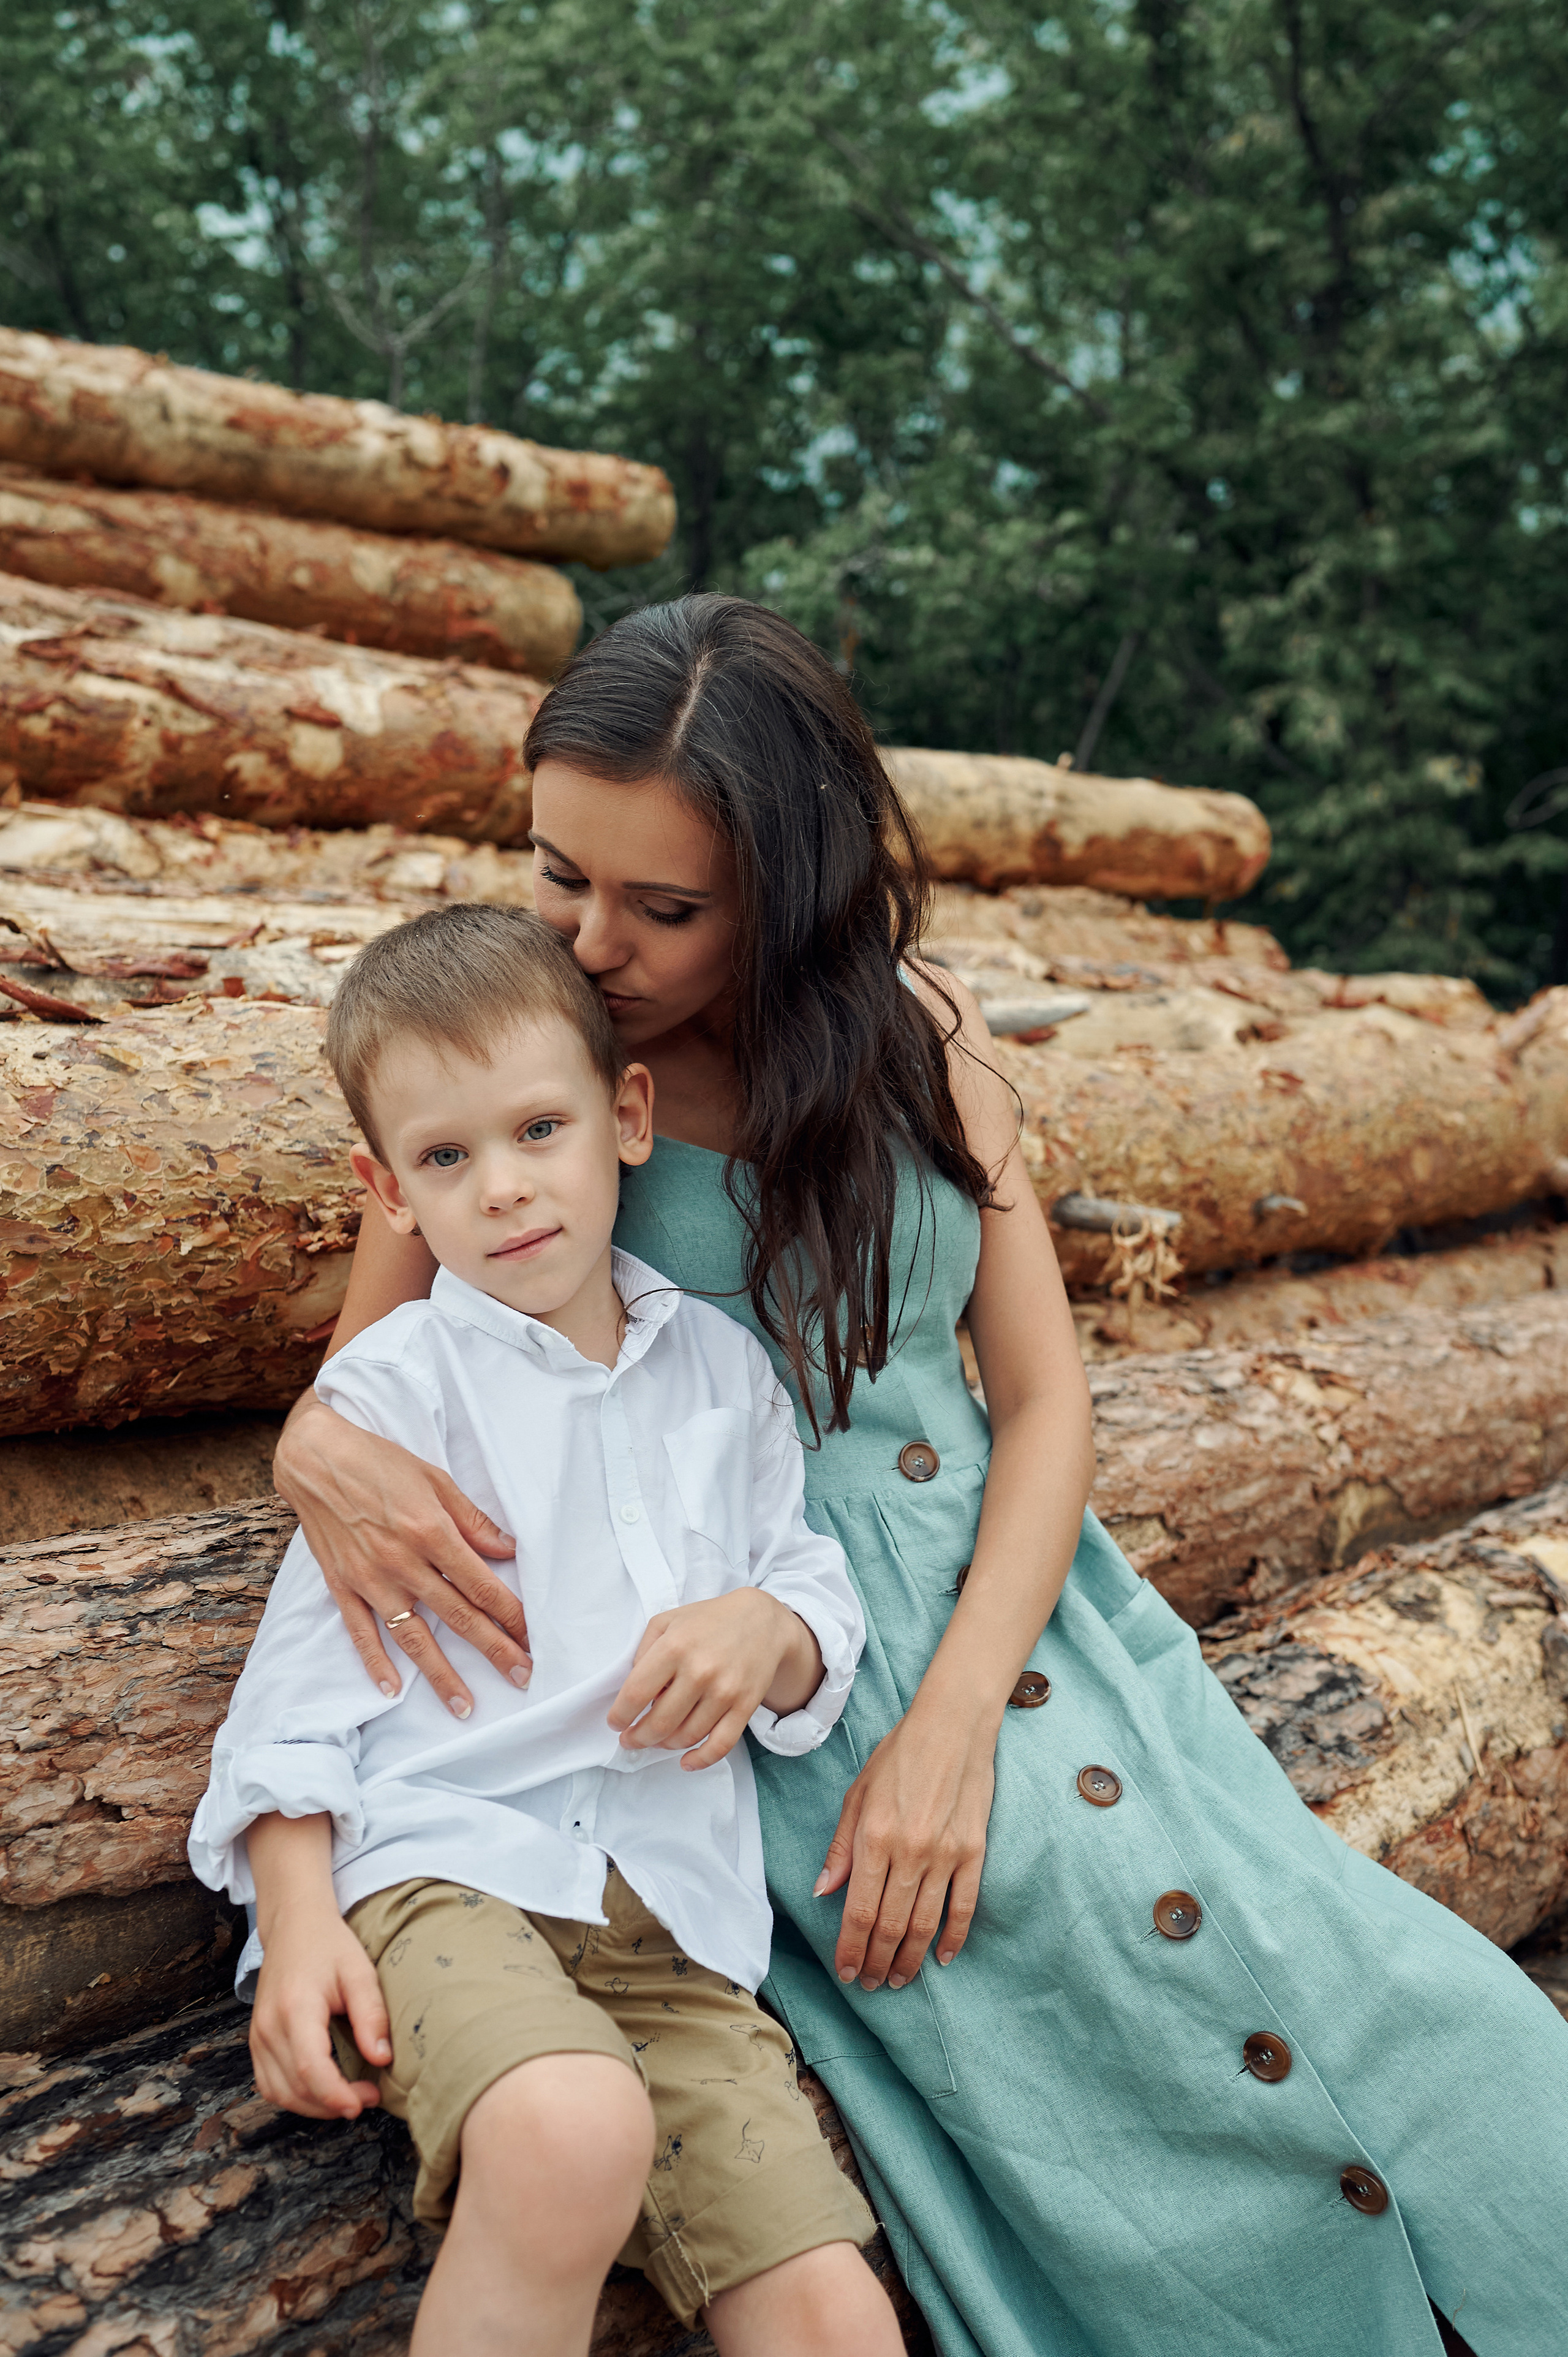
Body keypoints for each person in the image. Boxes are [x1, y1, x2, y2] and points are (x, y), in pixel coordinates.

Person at [274, 595, 1568, 2357]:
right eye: (557, 873)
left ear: (791, 882)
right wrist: (304, 1450)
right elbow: (366, 1390)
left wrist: (961, 1717)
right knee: (1103, 2095)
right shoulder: (536, 1061)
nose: (592, 939)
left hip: (1038, 1617)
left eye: (664, 907)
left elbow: (1039, 1404)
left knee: (1418, 2018)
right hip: (788, 1697)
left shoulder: (923, 1033)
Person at [189, 903, 903, 2357]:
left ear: (623, 1114)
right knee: (573, 2127)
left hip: (673, 1922)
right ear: (388, 1190)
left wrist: (764, 1631)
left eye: (535, 1129)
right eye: (448, 1158)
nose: (505, 1190)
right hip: (447, 1868)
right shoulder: (398, 1398)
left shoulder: (721, 1374)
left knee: (837, 2311)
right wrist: (301, 1918)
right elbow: (296, 1700)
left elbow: (813, 1586)